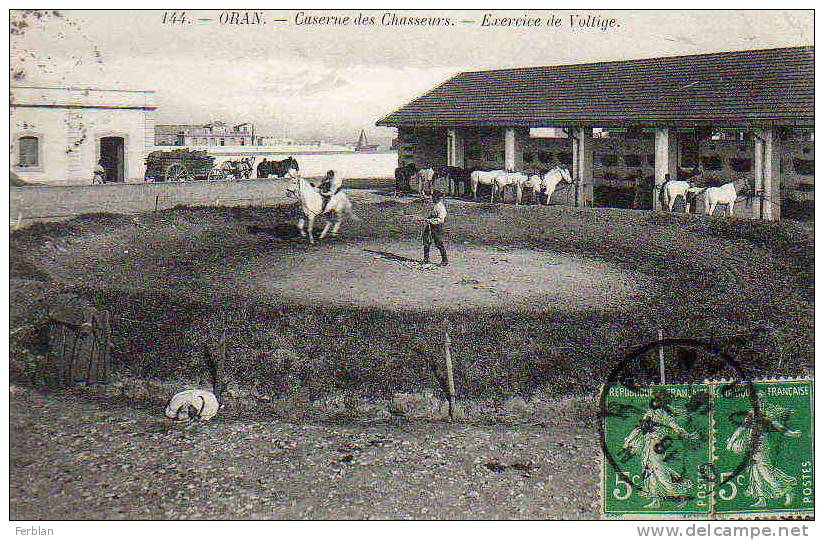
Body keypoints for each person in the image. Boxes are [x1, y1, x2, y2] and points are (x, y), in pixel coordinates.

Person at [421, 190, 448, 266]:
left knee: (438, 243)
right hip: (430, 225)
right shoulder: (435, 205)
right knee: (426, 241)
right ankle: (426, 259)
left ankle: (444, 260)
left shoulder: (441, 207)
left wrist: (430, 220)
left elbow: (440, 219)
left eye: (434, 197)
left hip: (436, 226)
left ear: (437, 198)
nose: (432, 199)